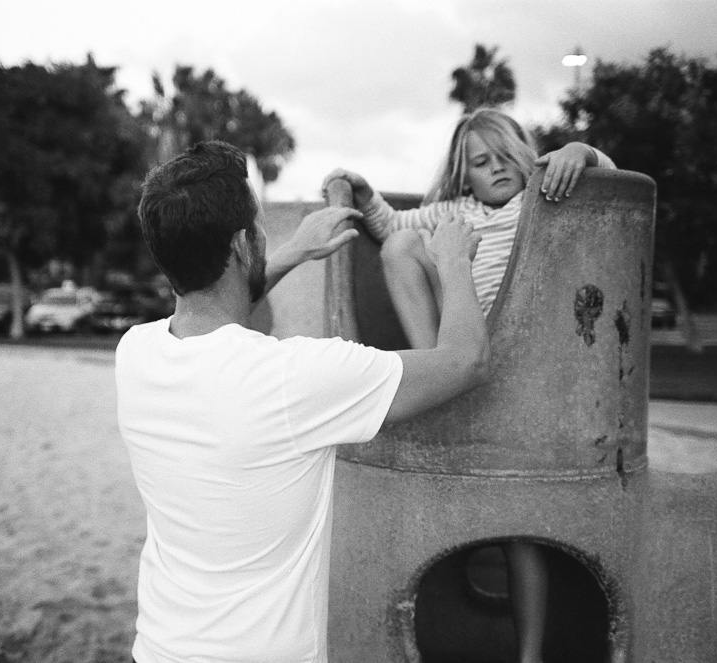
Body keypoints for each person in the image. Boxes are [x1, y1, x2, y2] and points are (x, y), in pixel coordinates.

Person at [117, 140, 491, 663]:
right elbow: (466, 361)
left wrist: (294, 252)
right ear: (245, 246)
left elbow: (211, 306)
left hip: (161, 648)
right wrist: (452, 262)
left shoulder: (136, 353)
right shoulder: (297, 378)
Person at [322, 107, 616, 663]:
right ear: (465, 177)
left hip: (525, 366)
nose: (497, 169)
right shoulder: (457, 213)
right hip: (464, 348)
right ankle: (439, 371)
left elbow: (606, 183)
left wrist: (582, 152)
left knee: (519, 527)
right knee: (402, 247)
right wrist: (362, 193)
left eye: (506, 156)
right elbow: (390, 228)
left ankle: (529, 655)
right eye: (482, 162)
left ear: (527, 158)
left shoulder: (544, 198)